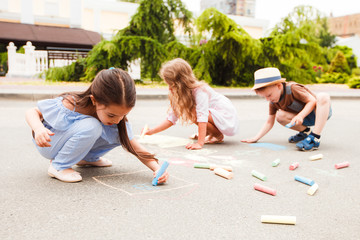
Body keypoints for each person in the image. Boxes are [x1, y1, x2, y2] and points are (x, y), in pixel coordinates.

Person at [25, 68, 169, 183]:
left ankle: (85, 159)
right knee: (93, 125)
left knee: (118, 132)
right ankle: (59, 166)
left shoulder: (116, 120)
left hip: (67, 141)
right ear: (94, 100)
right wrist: (38, 129)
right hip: (49, 143)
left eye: (123, 115)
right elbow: (32, 111)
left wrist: (157, 168)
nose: (117, 120)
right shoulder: (72, 103)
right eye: (112, 115)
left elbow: (136, 148)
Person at [143, 58, 239, 150]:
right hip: (214, 115)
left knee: (192, 111)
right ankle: (209, 133)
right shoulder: (181, 94)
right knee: (190, 109)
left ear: (181, 83)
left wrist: (199, 143)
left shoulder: (200, 91)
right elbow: (171, 119)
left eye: (171, 85)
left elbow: (202, 116)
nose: (169, 88)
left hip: (226, 116)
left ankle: (217, 135)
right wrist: (151, 132)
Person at [241, 67, 331, 151]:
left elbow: (312, 101)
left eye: (269, 95)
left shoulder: (292, 88)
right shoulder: (273, 102)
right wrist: (256, 138)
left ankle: (315, 137)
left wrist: (301, 115)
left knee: (323, 96)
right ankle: (305, 132)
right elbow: (269, 122)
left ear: (279, 86)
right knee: (280, 116)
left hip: (319, 114)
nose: (268, 99)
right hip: (303, 119)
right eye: (264, 97)